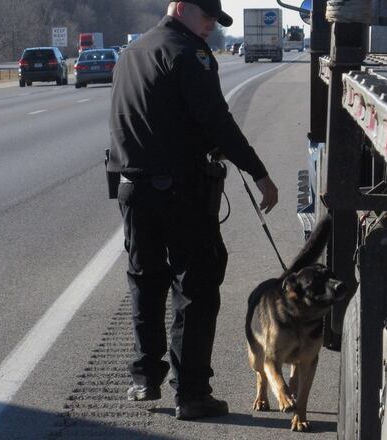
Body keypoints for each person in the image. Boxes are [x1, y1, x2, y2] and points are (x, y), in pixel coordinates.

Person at [107, 0, 279, 420]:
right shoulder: (189, 54)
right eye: (207, 18)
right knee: (195, 289)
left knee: (145, 282)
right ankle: (191, 392)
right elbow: (216, 120)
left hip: (132, 188)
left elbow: (139, 119)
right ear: (181, 8)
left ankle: (144, 379)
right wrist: (258, 173)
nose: (210, 27)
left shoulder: (130, 53)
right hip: (180, 192)